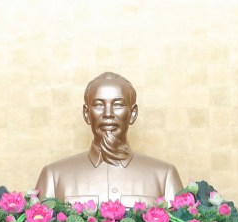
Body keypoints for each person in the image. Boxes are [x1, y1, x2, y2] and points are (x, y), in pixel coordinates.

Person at [34, 72, 183, 206]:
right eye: (99, 105)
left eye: (118, 105)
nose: (108, 113)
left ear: (132, 113)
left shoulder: (165, 176)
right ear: (86, 114)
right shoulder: (53, 176)